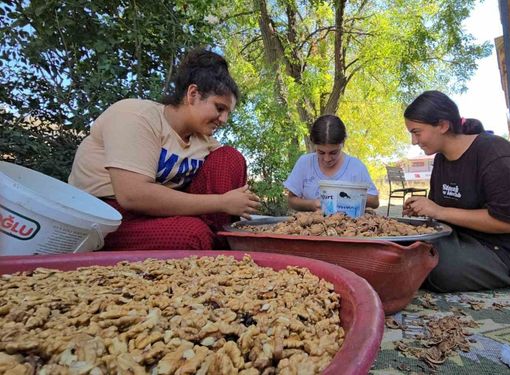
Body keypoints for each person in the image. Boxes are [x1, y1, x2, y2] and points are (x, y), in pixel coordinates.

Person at [68, 48, 260, 250]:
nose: (223, 120)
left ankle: (221, 244)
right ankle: (207, 247)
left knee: (230, 157)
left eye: (228, 113)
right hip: (108, 217)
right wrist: (222, 202)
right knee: (191, 235)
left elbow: (227, 178)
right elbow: (132, 196)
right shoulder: (137, 116)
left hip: (165, 216)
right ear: (193, 94)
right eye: (219, 108)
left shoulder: (203, 140)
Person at [402, 90, 510, 292]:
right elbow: (438, 213)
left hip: (508, 253)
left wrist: (439, 211)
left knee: (436, 270)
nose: (414, 141)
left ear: (443, 125)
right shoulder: (441, 159)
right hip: (461, 240)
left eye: (416, 132)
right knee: (397, 247)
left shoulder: (496, 154)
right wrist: (422, 211)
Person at [284, 115, 380, 212]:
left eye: (333, 152)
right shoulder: (304, 163)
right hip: (311, 224)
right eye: (321, 152)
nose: (327, 159)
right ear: (314, 145)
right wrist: (312, 204)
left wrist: (346, 198)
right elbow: (292, 200)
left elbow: (375, 201)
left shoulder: (356, 167)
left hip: (348, 225)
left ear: (342, 143)